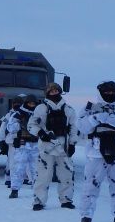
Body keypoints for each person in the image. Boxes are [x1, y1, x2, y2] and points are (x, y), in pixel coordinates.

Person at [76, 80, 115, 222]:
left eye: (113, 92)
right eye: (106, 92)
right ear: (100, 92)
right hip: (96, 152)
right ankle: (86, 216)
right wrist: (95, 118)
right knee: (91, 186)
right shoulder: (90, 109)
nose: (109, 95)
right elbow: (81, 127)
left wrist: (111, 120)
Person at [28, 82, 78, 211]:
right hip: (46, 145)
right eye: (52, 91)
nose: (54, 93)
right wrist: (40, 133)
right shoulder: (40, 108)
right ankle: (39, 201)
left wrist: (72, 143)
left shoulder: (68, 109)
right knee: (43, 175)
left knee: (66, 174)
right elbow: (31, 125)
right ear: (47, 93)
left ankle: (66, 199)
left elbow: (73, 127)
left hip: (63, 146)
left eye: (56, 90)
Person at [6, 94, 40, 199]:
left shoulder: (39, 114)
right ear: (26, 103)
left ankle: (38, 191)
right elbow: (10, 127)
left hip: (36, 144)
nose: (32, 105)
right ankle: (15, 189)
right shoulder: (18, 113)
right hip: (23, 144)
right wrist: (20, 124)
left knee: (37, 169)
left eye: (33, 103)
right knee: (19, 168)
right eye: (30, 103)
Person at [0, 94, 25, 187]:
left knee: (23, 160)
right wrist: (0, 141)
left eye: (19, 103)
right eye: (15, 103)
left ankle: (24, 178)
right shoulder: (8, 116)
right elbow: (2, 128)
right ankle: (9, 179)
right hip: (11, 142)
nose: (17, 105)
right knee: (11, 161)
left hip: (23, 141)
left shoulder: (25, 114)